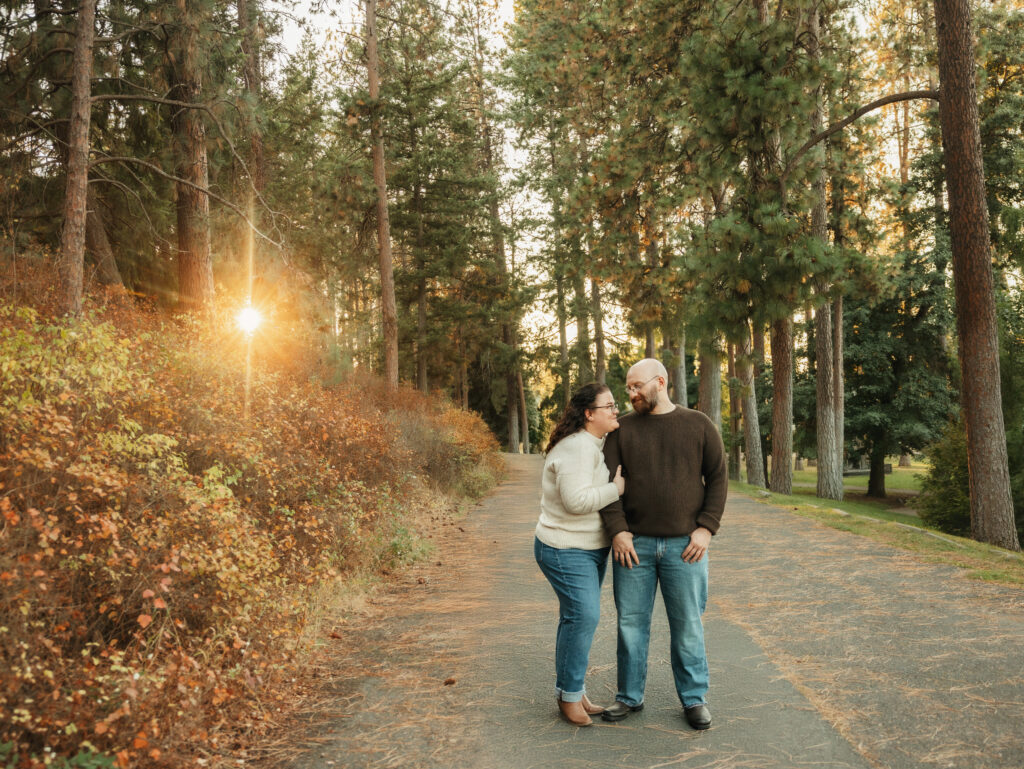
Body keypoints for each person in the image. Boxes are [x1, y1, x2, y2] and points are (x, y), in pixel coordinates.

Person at [598, 358, 727, 730]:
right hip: (633, 547)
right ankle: (629, 697)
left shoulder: (698, 425)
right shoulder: (622, 430)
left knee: (687, 625)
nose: (631, 393)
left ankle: (693, 699)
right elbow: (607, 483)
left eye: (637, 386)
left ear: (661, 381)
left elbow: (718, 478)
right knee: (631, 625)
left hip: (684, 549)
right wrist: (618, 530)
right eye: (629, 388)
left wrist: (706, 529)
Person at [534, 382, 625, 727]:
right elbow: (575, 502)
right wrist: (614, 489)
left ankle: (572, 691)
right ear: (589, 414)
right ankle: (569, 696)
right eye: (609, 406)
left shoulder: (592, 443)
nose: (616, 410)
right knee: (583, 617)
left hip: (586, 548)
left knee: (574, 619)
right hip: (564, 548)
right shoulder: (577, 448)